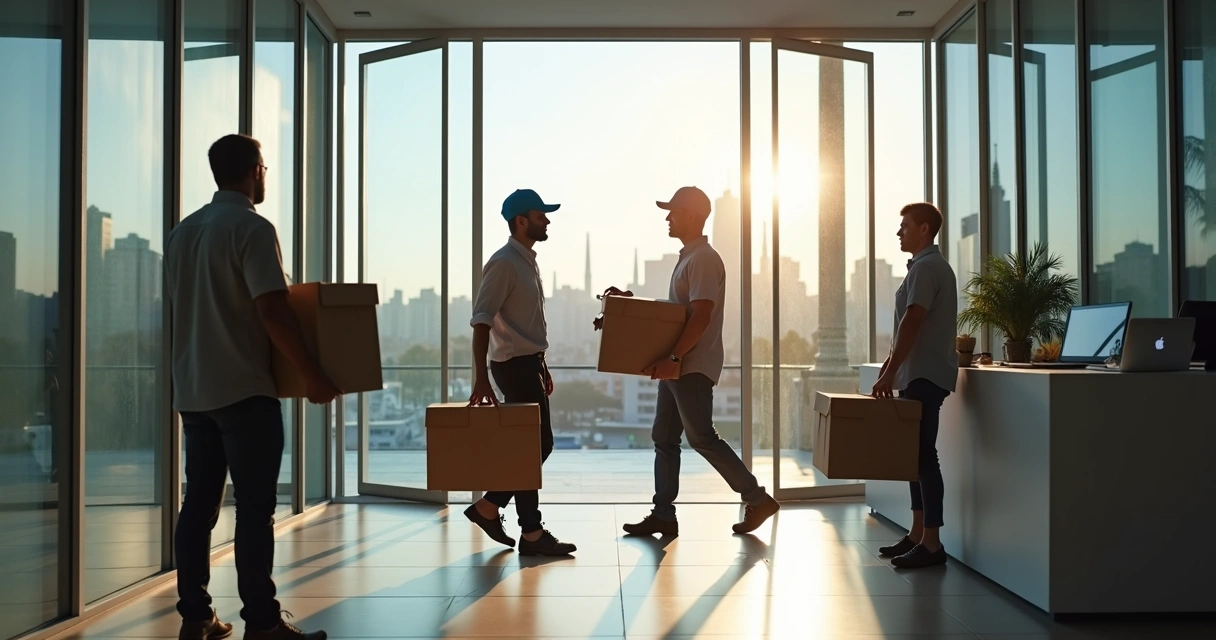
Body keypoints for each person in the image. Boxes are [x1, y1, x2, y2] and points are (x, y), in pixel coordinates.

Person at [166, 134, 340, 640]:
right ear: (255, 171)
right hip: (244, 390)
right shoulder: (252, 228)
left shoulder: (182, 234)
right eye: (264, 168)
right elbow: (272, 309)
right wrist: (312, 372)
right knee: (254, 509)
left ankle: (195, 617)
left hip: (194, 391)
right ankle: (261, 623)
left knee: (197, 506)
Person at [608, 186, 780, 537]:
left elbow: (701, 315)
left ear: (692, 214)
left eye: (672, 211)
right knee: (665, 437)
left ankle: (757, 498)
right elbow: (677, 314)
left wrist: (674, 358)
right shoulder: (688, 257)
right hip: (679, 366)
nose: (668, 218)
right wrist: (628, 306)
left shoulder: (703, 259)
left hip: (690, 365)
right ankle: (663, 515)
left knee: (701, 436)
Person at [464, 188, 576, 557]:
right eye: (540, 214)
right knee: (537, 446)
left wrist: (541, 365)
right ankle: (512, 521)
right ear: (521, 221)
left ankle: (508, 519)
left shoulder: (526, 261)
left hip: (527, 364)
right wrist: (481, 377)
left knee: (531, 447)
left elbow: (524, 324)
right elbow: (482, 321)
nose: (547, 220)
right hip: (511, 366)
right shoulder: (504, 263)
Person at [871, 202, 958, 569]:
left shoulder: (926, 268)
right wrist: (893, 370)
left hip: (922, 375)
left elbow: (913, 321)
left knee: (924, 458)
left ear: (925, 229)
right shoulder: (925, 267)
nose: (899, 232)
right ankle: (918, 533)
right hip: (916, 374)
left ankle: (933, 544)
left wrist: (890, 371)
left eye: (905, 225)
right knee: (915, 458)